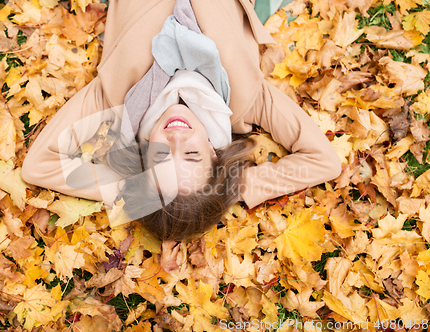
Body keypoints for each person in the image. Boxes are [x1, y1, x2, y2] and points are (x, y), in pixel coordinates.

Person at [21, 0, 342, 240]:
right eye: (191, 154)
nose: (176, 139)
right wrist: (229, 188)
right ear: (215, 154)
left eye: (161, 156)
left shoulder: (117, 94)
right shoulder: (246, 101)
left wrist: (131, 192)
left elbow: (39, 166)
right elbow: (324, 161)